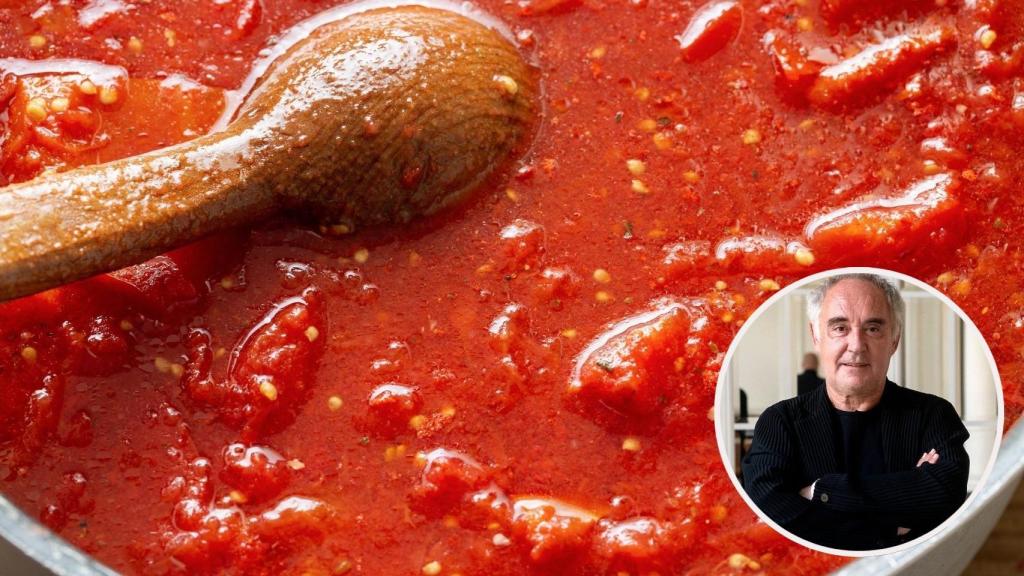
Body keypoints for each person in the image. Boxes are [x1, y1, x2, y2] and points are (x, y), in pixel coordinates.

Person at [741, 273, 970, 550]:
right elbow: (769, 509)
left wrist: (822, 491)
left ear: (894, 340)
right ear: (816, 336)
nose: (857, 345)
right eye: (840, 328)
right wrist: (886, 529)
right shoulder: (780, 422)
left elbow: (944, 494)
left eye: (872, 328)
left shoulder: (934, 415)